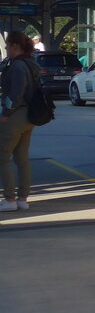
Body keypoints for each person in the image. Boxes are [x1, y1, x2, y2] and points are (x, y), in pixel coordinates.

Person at [0, 31, 38, 211]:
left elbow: (15, 94)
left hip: (15, 115)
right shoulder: (31, 63)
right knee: (22, 158)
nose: (6, 49)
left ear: (15, 46)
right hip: (29, 116)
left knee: (3, 156)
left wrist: (6, 113)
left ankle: (10, 199)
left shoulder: (17, 66)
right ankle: (23, 199)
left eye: (7, 46)